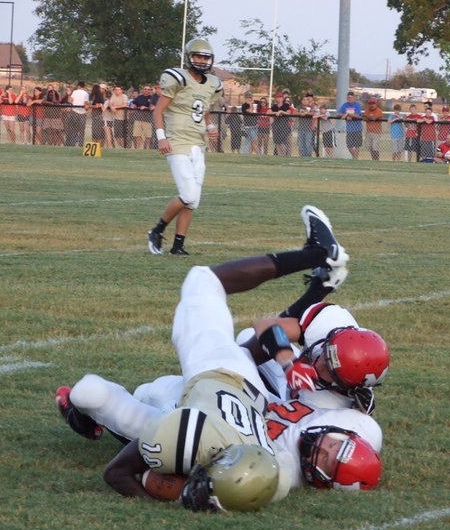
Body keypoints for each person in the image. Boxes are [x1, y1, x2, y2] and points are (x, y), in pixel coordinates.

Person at [57, 207, 382, 508]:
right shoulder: (346, 377)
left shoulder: (290, 460)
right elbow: (264, 335)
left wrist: (188, 492)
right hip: (241, 391)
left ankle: (87, 411)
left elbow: (249, 481)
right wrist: (288, 358)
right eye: (327, 352)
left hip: (225, 413)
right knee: (156, 388)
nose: (324, 447)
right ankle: (317, 269)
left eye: (327, 459)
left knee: (96, 393)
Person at [146, 38, 223, 257]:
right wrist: (161, 137)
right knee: (188, 195)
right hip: (177, 141)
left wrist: (210, 126)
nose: (201, 61)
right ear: (189, 57)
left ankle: (178, 245)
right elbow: (158, 111)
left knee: (193, 202)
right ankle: (157, 231)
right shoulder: (177, 78)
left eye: (205, 57)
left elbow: (204, 111)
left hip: (198, 143)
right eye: (198, 56)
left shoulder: (213, 84)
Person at [338, 91, 363, 159]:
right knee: (349, 145)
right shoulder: (345, 105)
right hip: (349, 128)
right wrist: (346, 116)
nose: (350, 99)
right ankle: (354, 158)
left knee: (357, 145)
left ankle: (355, 159)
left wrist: (348, 114)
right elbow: (339, 114)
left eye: (351, 98)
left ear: (354, 98)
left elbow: (357, 115)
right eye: (348, 98)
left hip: (357, 128)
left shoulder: (357, 105)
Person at [131, 85, 153, 150]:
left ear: (150, 90)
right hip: (138, 118)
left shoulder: (152, 98)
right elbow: (135, 103)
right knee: (138, 135)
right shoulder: (139, 97)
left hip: (147, 119)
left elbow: (153, 106)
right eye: (145, 89)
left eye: (148, 89)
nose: (147, 90)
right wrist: (133, 106)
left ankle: (148, 148)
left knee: (148, 136)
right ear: (143, 90)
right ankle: (138, 148)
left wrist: (146, 107)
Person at [67, 81, 89, 147]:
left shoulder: (75, 92)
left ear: (78, 86)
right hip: (83, 113)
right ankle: (80, 144)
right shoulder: (86, 93)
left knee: (73, 129)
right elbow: (86, 104)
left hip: (74, 112)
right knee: (82, 130)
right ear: (84, 86)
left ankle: (72, 144)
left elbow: (70, 100)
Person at [270, 92, 292, 156]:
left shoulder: (285, 105)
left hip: (283, 125)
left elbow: (288, 112)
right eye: (278, 97)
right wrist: (276, 112)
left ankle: (285, 155)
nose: (279, 99)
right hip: (276, 125)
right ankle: (280, 155)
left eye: (281, 97)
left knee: (280, 141)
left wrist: (281, 111)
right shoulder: (275, 106)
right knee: (276, 141)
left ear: (283, 98)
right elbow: (268, 112)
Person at [296, 93, 316, 157]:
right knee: (301, 144)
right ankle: (303, 156)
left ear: (308, 101)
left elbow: (313, 113)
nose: (305, 101)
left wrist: (306, 113)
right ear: (302, 101)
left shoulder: (311, 107)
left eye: (306, 100)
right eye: (303, 100)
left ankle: (308, 156)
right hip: (300, 129)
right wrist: (300, 113)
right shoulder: (299, 107)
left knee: (308, 144)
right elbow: (294, 112)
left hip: (308, 129)